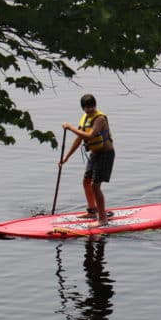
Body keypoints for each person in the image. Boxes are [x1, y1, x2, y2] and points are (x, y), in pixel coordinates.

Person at [59, 94, 115, 227]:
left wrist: (70, 127)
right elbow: (79, 139)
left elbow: (90, 135)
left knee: (96, 186)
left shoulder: (100, 119)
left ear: (95, 106)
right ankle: (92, 211)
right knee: (86, 182)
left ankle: (102, 219)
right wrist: (66, 157)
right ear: (83, 108)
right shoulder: (85, 118)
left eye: (92, 106)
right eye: (87, 107)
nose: (89, 109)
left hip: (105, 154)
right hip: (95, 154)